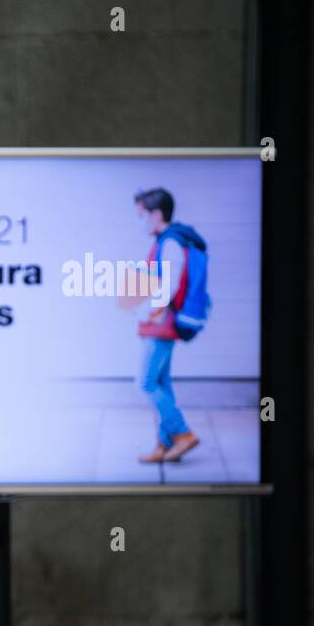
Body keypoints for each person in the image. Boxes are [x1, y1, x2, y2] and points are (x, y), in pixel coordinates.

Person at [122, 188, 202, 463]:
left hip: (161, 324)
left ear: (157, 214)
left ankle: (182, 434)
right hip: (160, 322)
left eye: (142, 215)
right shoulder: (166, 240)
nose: (140, 221)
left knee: (144, 383)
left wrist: (144, 311)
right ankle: (164, 445)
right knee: (161, 383)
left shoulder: (170, 243)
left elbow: (168, 285)